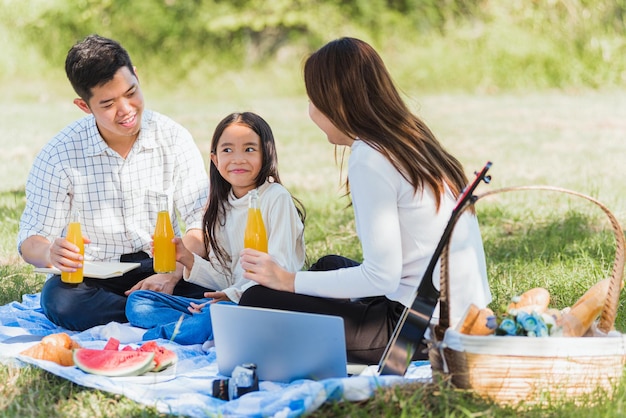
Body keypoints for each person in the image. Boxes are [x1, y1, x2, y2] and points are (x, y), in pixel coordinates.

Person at [238, 37, 491, 365]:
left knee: (257, 298)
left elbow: (381, 277)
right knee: (329, 264)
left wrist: (287, 280)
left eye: (312, 98)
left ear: (335, 101)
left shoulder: (370, 156)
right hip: (458, 310)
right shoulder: (410, 137)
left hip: (419, 331)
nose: (310, 110)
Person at [17, 34, 211, 331]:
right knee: (60, 300)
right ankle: (154, 311)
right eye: (108, 104)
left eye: (131, 92)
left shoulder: (173, 137)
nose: (126, 110)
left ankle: (152, 308)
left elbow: (201, 223)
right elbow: (31, 239)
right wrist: (48, 253)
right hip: (98, 277)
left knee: (225, 279)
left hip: (166, 265)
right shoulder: (60, 153)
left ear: (137, 76)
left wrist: (171, 273)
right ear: (84, 106)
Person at [125, 112, 306, 345]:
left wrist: (231, 296)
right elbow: (225, 278)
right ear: (214, 158)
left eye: (249, 149)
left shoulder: (275, 198)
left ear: (267, 154)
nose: (238, 159)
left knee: (212, 315)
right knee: (139, 303)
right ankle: (209, 327)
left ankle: (159, 337)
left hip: (263, 302)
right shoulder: (220, 206)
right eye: (228, 150)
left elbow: (281, 269)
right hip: (230, 302)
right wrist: (188, 259)